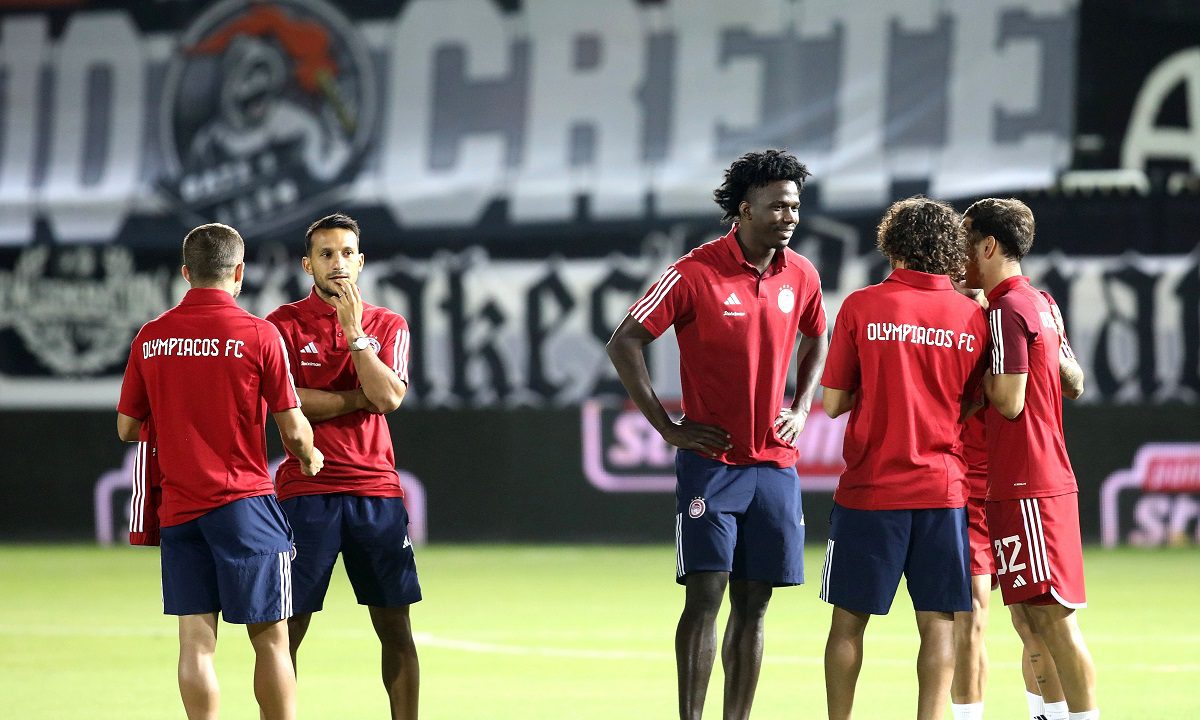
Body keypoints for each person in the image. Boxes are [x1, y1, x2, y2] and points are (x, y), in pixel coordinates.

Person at [606, 149, 828, 720]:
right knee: (705, 598)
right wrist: (666, 427)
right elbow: (624, 341)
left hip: (774, 465)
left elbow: (817, 337)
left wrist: (802, 407)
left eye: (795, 206)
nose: (789, 216)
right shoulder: (694, 271)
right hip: (713, 463)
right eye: (778, 206)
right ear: (745, 209)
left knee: (755, 605)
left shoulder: (802, 274)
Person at [116, 222, 323, 720]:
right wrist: (310, 457)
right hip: (243, 504)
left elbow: (127, 427)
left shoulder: (152, 337)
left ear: (186, 273)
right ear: (239, 272)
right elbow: (293, 428)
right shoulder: (258, 334)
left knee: (195, 642)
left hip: (180, 508)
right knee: (271, 639)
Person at [819, 197, 989, 720]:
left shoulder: (861, 306)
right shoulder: (973, 317)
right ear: (950, 248)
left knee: (848, 623)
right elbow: (976, 400)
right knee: (939, 624)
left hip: (870, 490)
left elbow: (833, 403)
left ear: (891, 243)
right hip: (942, 490)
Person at [266, 212, 420, 720]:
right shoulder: (280, 326)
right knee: (287, 627)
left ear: (361, 261)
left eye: (347, 253)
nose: (338, 263)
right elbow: (283, 402)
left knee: (395, 626)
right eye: (326, 254)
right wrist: (357, 399)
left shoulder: (388, 324)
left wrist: (354, 334)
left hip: (376, 493)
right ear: (307, 264)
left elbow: (389, 398)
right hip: (305, 490)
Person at [963, 197, 1099, 720]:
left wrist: (970, 384)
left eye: (966, 242)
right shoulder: (1041, 302)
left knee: (1054, 621)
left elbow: (1009, 401)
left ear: (988, 246)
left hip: (1030, 484)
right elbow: (1075, 380)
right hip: (1019, 482)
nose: (958, 255)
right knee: (1029, 621)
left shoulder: (1003, 311)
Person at [951, 285, 1086, 720]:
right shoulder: (951, 319)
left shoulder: (1026, 308)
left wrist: (1037, 343)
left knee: (1034, 622)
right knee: (970, 614)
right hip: (966, 488)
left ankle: (1047, 714)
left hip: (1018, 484)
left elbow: (1075, 382)